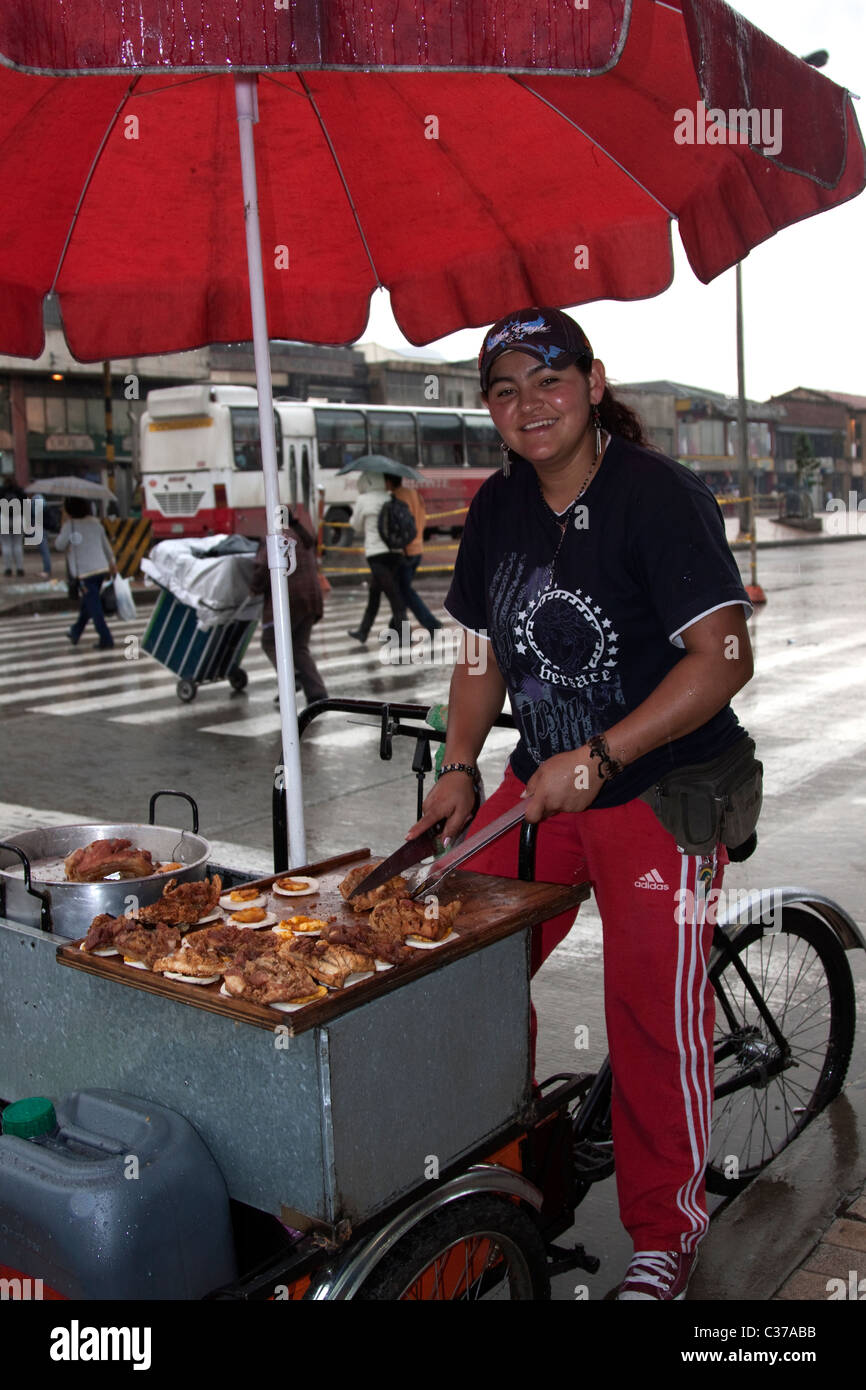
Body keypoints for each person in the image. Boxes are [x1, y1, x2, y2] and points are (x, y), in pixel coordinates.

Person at [406, 306, 756, 1302]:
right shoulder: (497, 506)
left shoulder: (657, 496)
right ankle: (489, 1182)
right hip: (540, 782)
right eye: (504, 390)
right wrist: (459, 763)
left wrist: (603, 755)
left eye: (546, 379)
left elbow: (723, 657)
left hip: (662, 784)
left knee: (651, 1010)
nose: (528, 404)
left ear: (592, 384)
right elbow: (476, 653)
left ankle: (665, 1233)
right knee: (448, 963)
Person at [349, 473, 443, 642]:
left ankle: (430, 624)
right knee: (381, 591)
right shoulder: (414, 494)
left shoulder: (395, 497)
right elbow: (419, 520)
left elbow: (395, 526)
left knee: (402, 593)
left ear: (389, 481)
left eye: (385, 481)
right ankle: (375, 631)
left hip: (403, 550)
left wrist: (403, 544)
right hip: (417, 547)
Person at [250, 502, 328, 706]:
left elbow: (262, 568)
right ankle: (317, 693)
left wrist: (254, 588)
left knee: (270, 642)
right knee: (298, 646)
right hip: (311, 597)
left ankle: (290, 680)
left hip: (291, 599)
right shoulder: (301, 533)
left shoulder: (274, 537)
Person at [346, 471, 407, 644]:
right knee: (375, 592)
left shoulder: (363, 500)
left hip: (376, 553)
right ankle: (363, 631)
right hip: (395, 552)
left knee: (392, 594)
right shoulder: (389, 497)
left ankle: (404, 634)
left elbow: (356, 525)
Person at [55, 496, 117, 649]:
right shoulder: (96, 523)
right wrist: (112, 564)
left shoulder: (70, 526)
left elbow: (59, 545)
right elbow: (107, 548)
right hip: (101, 569)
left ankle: (106, 638)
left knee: (94, 606)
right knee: (89, 602)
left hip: (85, 573)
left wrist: (64, 525)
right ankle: (76, 631)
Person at [0, 479, 26, 576]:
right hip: (18, 518)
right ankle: (20, 568)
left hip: (4, 519)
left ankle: (8, 569)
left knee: (6, 545)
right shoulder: (19, 491)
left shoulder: (1, 491)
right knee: (17, 545)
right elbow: (25, 504)